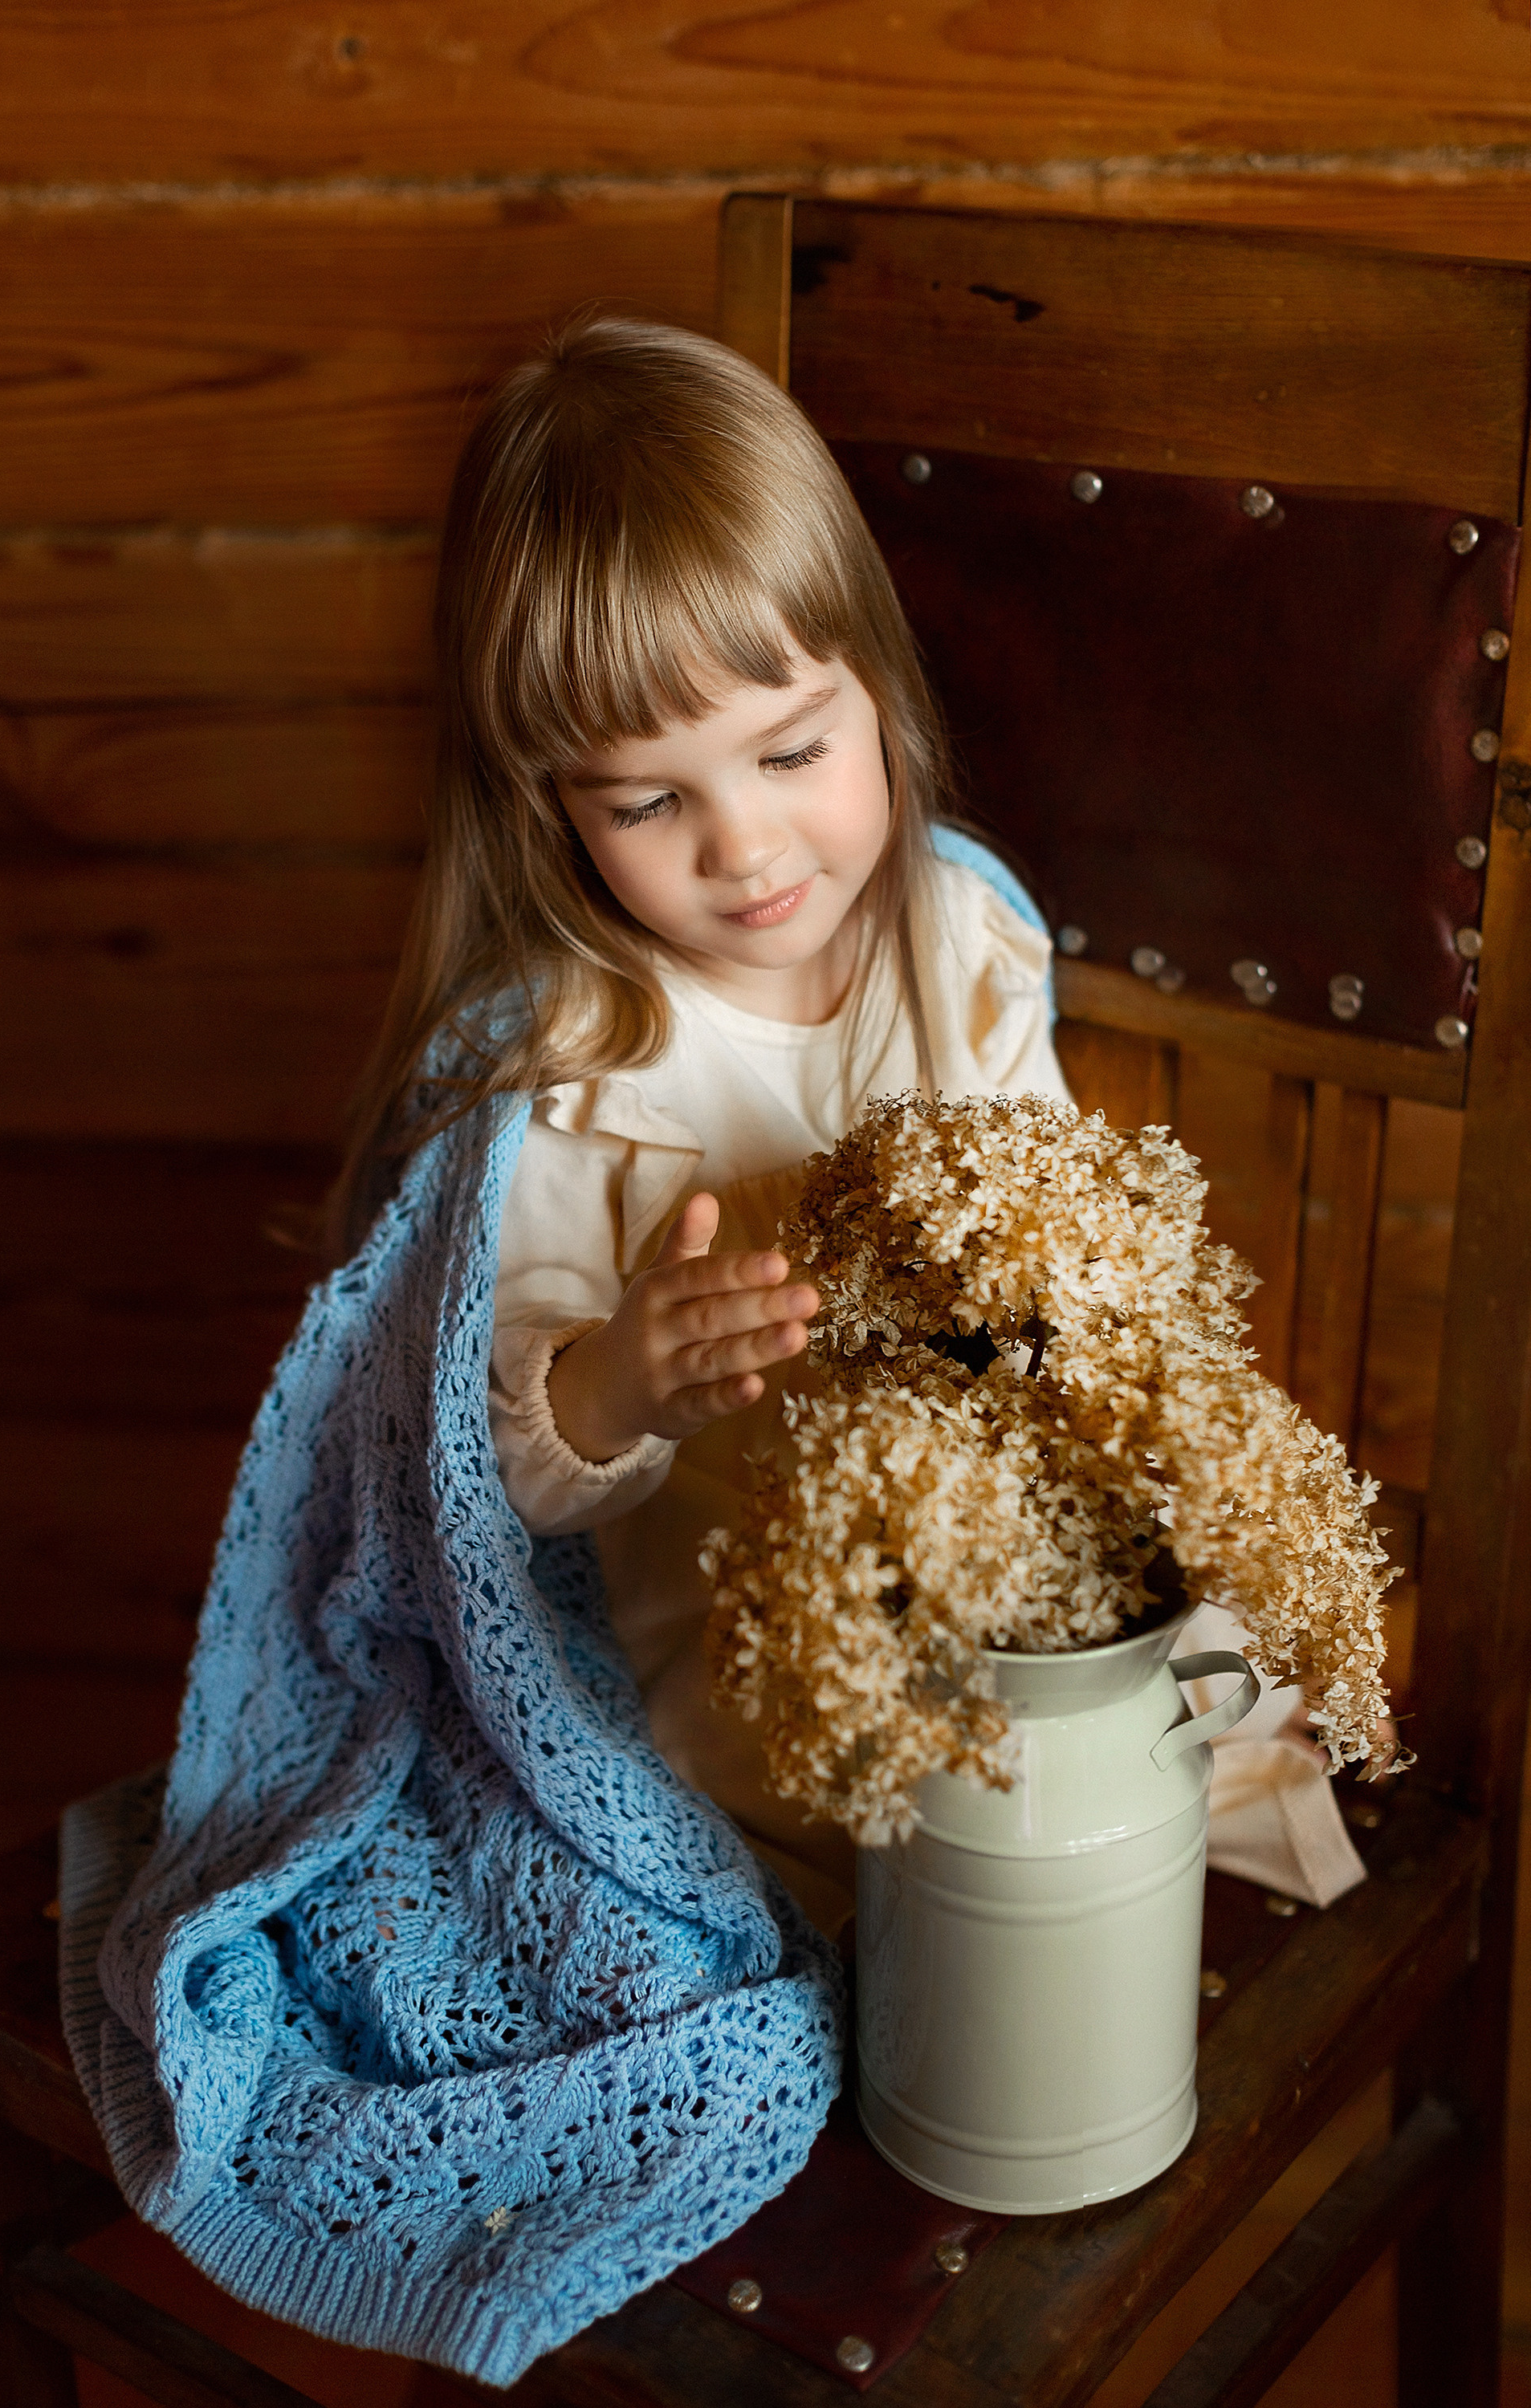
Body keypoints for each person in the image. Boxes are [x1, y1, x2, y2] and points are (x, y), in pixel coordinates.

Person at [328, 315, 1070, 1932]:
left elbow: (1063, 1239)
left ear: (874, 682)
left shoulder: (963, 949)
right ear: (550, 808)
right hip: (725, 1722)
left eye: (791, 750)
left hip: (990, 1636)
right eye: (648, 802)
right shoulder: (571, 1076)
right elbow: (479, 1478)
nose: (747, 847)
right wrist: (618, 1382)